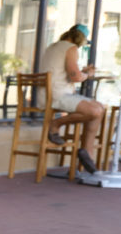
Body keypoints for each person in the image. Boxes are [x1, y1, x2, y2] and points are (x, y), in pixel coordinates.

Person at [39, 24, 106, 174]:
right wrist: (88, 75)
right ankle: (55, 124)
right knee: (95, 111)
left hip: (49, 93)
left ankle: (87, 154)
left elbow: (66, 73)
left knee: (100, 108)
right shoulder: (71, 48)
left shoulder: (53, 47)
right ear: (80, 38)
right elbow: (75, 77)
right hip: (58, 95)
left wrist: (81, 72)